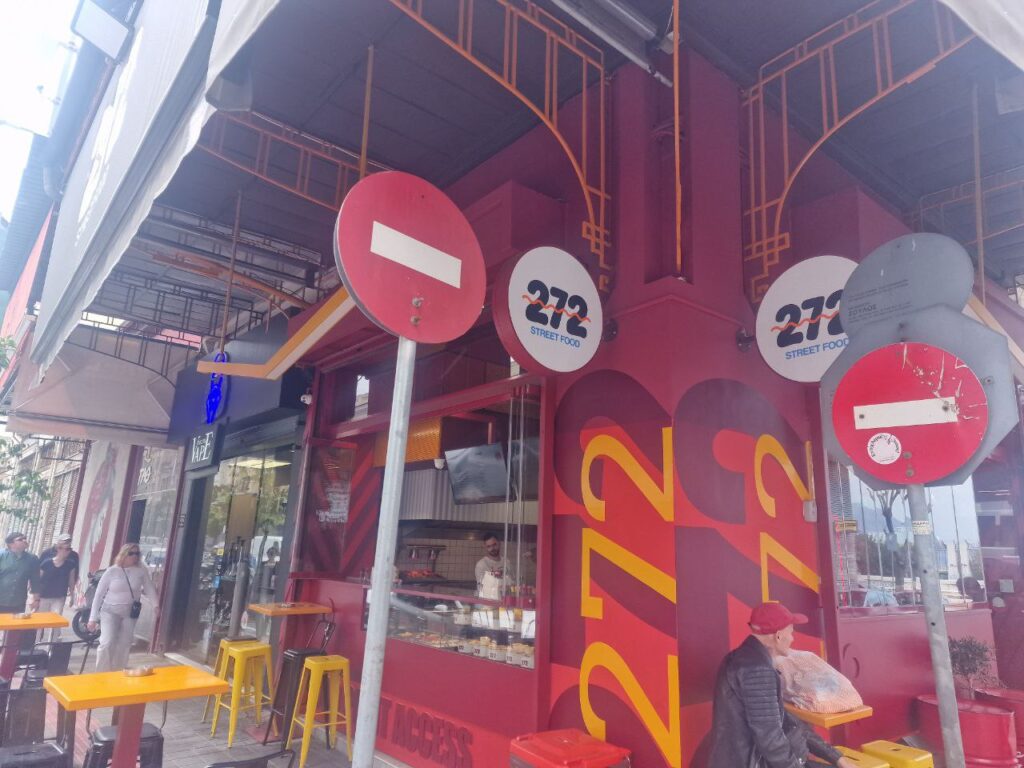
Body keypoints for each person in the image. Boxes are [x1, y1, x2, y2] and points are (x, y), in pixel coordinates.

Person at [709, 602, 856, 768]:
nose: (792, 638)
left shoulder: (742, 658)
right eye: (791, 633)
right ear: (778, 636)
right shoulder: (757, 671)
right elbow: (769, 738)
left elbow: (787, 722)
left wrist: (836, 758)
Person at [87, 543, 158, 672]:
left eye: (137, 554)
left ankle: (118, 671)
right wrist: (92, 618)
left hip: (130, 612)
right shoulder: (112, 571)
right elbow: (99, 594)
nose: (134, 556)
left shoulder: (141, 571)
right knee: (107, 642)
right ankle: (101, 672)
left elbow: (149, 588)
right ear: (123, 555)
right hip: (110, 610)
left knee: (125, 643)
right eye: (131, 553)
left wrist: (155, 605)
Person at [37, 538, 77, 641]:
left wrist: (72, 596)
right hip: (44, 596)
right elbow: (38, 579)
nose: (68, 551)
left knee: (56, 621)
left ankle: (52, 644)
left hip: (59, 597)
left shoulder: (70, 564)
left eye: (69, 549)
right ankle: (36, 643)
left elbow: (71, 580)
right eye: (66, 549)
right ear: (58, 549)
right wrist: (35, 596)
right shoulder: (46, 563)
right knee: (40, 621)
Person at [0, 532, 40, 614]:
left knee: (16, 622)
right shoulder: (2, 556)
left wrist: (36, 600)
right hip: (1, 598)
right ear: (11, 544)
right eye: (20, 539)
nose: (24, 540)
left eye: (25, 538)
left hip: (18, 602)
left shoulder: (32, 559)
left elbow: (35, 581)